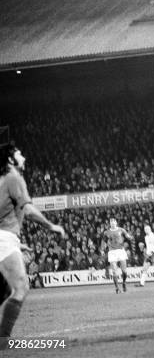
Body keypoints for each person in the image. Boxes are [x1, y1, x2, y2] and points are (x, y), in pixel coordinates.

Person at [0, 144, 65, 344]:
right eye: (20, 154)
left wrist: (17, 244)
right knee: (20, 286)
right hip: (4, 238)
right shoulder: (13, 177)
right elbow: (27, 209)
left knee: (3, 291)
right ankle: (3, 341)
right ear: (11, 160)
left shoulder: (3, 180)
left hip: (6, 238)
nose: (24, 157)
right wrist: (50, 226)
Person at [103, 217, 133, 294]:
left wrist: (130, 237)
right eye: (111, 222)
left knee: (124, 271)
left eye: (114, 221)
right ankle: (117, 288)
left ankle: (124, 283)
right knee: (114, 271)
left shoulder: (121, 230)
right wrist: (102, 249)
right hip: (112, 252)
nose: (112, 223)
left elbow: (127, 236)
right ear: (109, 224)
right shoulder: (106, 232)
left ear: (116, 222)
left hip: (121, 251)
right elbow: (103, 242)